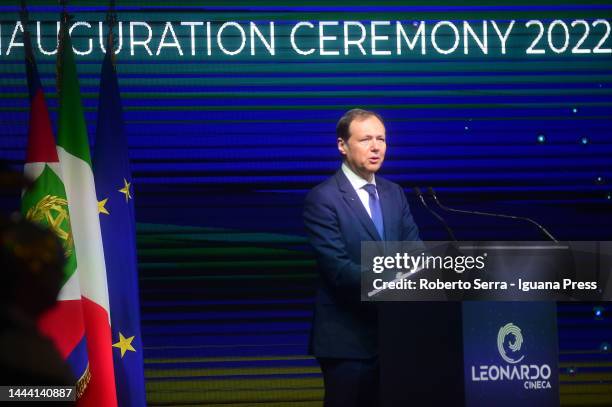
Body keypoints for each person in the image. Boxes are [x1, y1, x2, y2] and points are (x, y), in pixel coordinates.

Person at [303, 109, 421, 407]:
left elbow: (415, 253)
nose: (376, 146)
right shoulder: (323, 198)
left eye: (381, 138)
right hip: (348, 344)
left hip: (397, 340)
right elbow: (339, 271)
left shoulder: (394, 193)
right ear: (342, 145)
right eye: (366, 139)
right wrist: (398, 281)